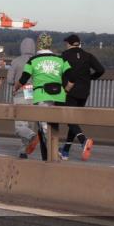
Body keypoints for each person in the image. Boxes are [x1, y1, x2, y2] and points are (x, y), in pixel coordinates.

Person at [13, 33, 71, 161]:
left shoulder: (33, 60)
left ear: (39, 44)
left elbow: (23, 79)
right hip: (58, 96)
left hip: (42, 95)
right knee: (52, 125)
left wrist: (16, 88)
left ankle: (56, 153)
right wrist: (65, 91)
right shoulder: (60, 59)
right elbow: (71, 78)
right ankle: (49, 154)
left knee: (44, 126)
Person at [59, 34, 105, 161]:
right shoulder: (88, 55)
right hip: (84, 92)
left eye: (66, 43)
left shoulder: (65, 56)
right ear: (78, 44)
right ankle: (65, 151)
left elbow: (59, 73)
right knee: (74, 120)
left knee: (69, 118)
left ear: (69, 44)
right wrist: (91, 78)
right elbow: (101, 69)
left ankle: (83, 140)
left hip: (70, 91)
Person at [5, 37, 40, 159]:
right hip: (34, 94)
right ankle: (23, 150)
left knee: (20, 126)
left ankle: (32, 136)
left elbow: (9, 80)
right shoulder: (37, 61)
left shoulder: (16, 61)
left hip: (20, 93)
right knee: (29, 123)